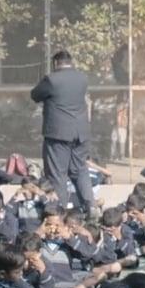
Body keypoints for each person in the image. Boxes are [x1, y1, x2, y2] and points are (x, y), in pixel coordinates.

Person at [29, 52, 92, 213]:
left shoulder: (51, 79)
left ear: (56, 63)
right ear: (70, 62)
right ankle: (90, 206)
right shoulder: (82, 78)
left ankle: (60, 211)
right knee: (80, 170)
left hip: (58, 134)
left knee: (58, 174)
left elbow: (35, 95)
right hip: (81, 132)